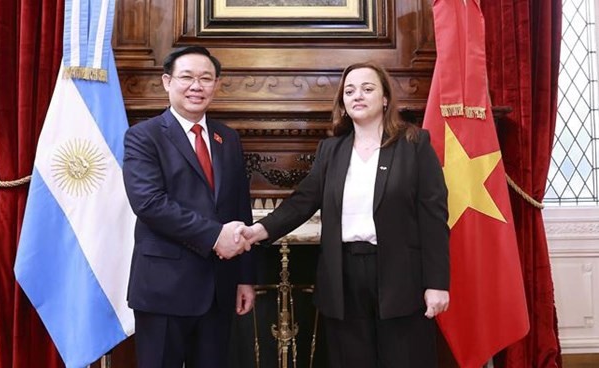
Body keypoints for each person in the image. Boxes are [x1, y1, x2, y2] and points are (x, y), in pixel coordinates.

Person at [236, 61, 450, 367]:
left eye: (367, 88)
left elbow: (434, 218)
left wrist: (437, 282)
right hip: (342, 275)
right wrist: (258, 231)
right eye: (349, 91)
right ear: (343, 103)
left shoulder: (414, 144)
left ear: (385, 97)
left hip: (401, 277)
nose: (357, 96)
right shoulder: (331, 150)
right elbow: (302, 202)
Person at [122, 46, 255, 368]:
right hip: (164, 286)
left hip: (219, 288)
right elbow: (149, 203)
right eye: (187, 77)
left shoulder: (228, 138)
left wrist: (244, 277)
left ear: (216, 85)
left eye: (206, 79)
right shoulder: (143, 136)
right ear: (167, 82)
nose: (197, 86)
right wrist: (214, 236)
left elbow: (240, 207)